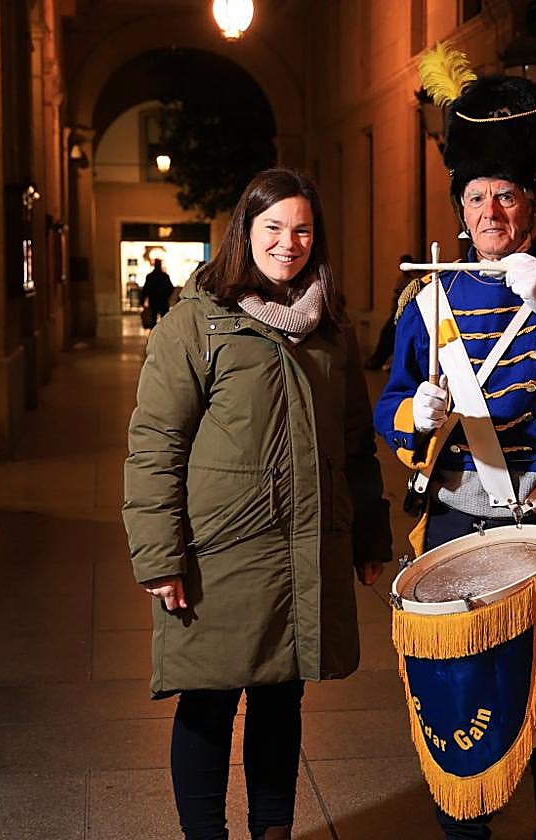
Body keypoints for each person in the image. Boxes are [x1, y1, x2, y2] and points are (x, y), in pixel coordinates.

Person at [375, 56, 536, 840]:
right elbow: (389, 403)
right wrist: (416, 414)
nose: (491, 211)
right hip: (456, 522)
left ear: (533, 204)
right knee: (458, 701)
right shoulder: (428, 295)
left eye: (507, 195)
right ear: (460, 208)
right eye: (477, 196)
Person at [123, 167, 392, 840]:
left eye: (302, 230)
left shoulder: (331, 326)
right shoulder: (196, 322)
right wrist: (160, 557)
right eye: (273, 227)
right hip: (220, 553)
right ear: (245, 231)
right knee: (207, 701)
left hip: (306, 545)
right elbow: (155, 445)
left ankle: (273, 831)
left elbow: (354, 442)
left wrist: (369, 536)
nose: (287, 244)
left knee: (281, 697)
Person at [363, 253, 413, 370]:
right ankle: (377, 360)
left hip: (405, 315)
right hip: (396, 313)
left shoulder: (413, 281)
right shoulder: (401, 279)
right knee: (385, 334)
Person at [140, 257, 175, 326]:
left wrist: (142, 300)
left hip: (153, 301)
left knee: (153, 320)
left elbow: (145, 289)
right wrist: (166, 296)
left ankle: (154, 332)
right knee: (165, 321)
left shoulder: (150, 276)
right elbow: (171, 288)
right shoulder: (165, 276)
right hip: (163, 301)